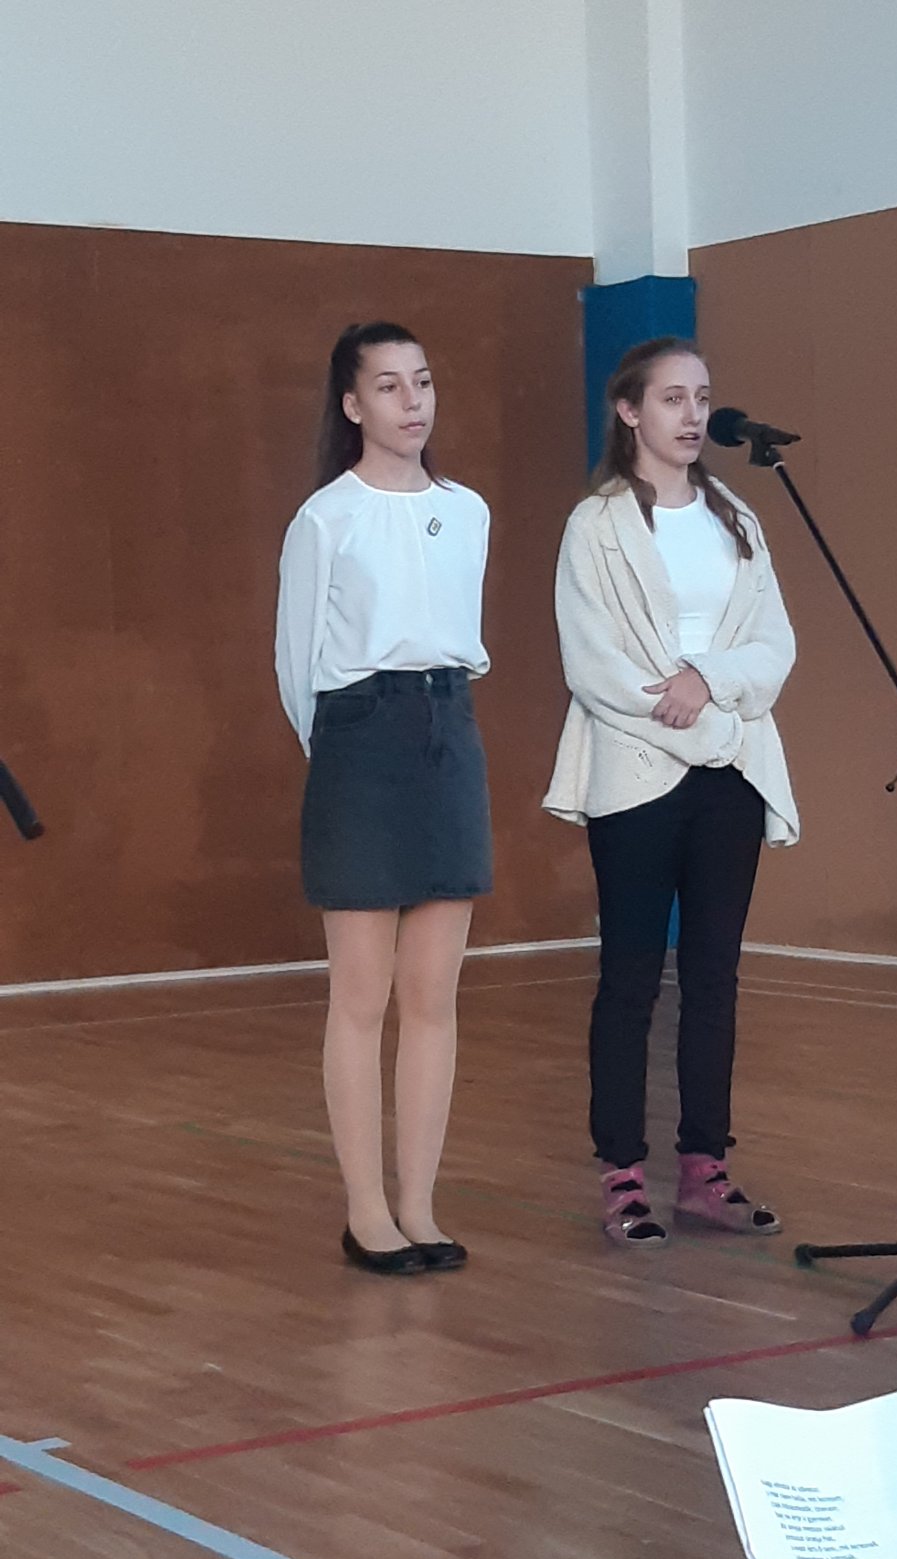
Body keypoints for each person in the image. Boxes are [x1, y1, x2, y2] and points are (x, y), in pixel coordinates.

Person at [543, 336, 799, 1247]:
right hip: (637, 771)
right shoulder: (596, 525)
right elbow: (596, 666)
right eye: (672, 399)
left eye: (701, 397)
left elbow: (773, 646)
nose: (693, 416)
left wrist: (707, 684)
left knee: (714, 976)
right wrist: (687, 712)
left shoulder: (737, 517)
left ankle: (704, 1171)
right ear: (629, 411)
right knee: (630, 977)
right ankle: (622, 1174)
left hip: (730, 771)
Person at [275, 321, 491, 1275]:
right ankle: (366, 1212)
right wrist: (344, 753)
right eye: (391, 386)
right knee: (360, 996)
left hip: (450, 730)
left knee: (433, 994)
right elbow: (295, 666)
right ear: (353, 404)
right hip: (359, 738)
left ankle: (420, 1206)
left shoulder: (468, 511)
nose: (413, 402)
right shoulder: (326, 517)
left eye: (424, 382)